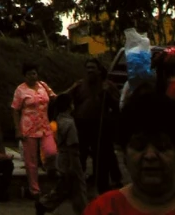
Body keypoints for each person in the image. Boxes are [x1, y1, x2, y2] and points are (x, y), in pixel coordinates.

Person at [84, 90, 175, 215]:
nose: (150, 155)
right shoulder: (102, 209)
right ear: (125, 155)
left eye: (162, 146)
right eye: (139, 146)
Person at [68, 57, 121, 192]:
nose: (90, 71)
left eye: (93, 68)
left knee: (101, 159)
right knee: (80, 157)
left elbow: (117, 107)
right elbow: (66, 100)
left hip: (100, 127)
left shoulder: (107, 86)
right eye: (88, 68)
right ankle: (79, 186)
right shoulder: (79, 85)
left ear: (99, 71)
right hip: (82, 126)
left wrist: (107, 95)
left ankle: (102, 187)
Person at [35, 93, 88, 215]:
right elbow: (72, 147)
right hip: (70, 159)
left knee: (63, 188)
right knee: (79, 188)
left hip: (61, 158)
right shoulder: (69, 123)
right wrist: (75, 166)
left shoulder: (58, 119)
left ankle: (44, 204)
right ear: (69, 105)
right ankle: (85, 211)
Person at [11, 62, 57, 198]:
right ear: (25, 76)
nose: (32, 76)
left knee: (51, 151)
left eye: (34, 73)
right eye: (29, 74)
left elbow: (56, 97)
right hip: (28, 127)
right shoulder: (20, 90)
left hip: (44, 126)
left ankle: (50, 170)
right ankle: (34, 190)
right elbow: (15, 110)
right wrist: (17, 129)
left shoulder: (43, 86)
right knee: (31, 161)